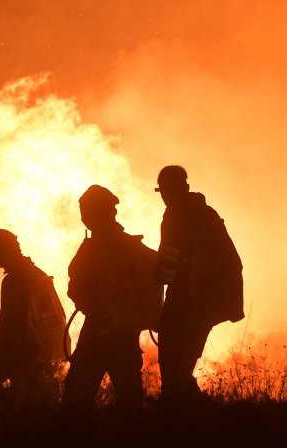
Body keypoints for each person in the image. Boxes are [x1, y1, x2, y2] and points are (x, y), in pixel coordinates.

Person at [61, 185, 162, 412]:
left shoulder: (95, 249)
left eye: (86, 212)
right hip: (123, 333)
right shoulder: (134, 248)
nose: (84, 217)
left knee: (76, 398)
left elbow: (76, 288)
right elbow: (157, 272)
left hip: (98, 332)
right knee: (130, 400)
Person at [154, 165, 244, 403]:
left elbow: (169, 260)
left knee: (173, 359)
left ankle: (176, 414)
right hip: (210, 299)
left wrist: (156, 276)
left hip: (187, 296)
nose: (164, 196)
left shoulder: (174, 215)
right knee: (184, 362)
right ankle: (192, 411)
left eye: (165, 190)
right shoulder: (206, 213)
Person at [0, 229, 68, 404]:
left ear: (3, 253)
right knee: (35, 397)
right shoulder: (38, 274)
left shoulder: (14, 281)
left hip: (25, 349)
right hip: (45, 348)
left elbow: (7, 323)